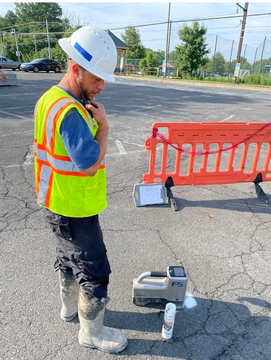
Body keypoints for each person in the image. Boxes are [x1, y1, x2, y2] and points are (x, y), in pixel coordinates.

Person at [33, 25, 128, 354]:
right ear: (76, 69)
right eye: (97, 78)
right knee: (94, 270)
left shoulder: (50, 99)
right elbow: (88, 164)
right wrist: (103, 127)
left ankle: (69, 308)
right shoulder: (72, 112)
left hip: (54, 202)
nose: (102, 86)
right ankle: (92, 334)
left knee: (67, 258)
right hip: (75, 208)